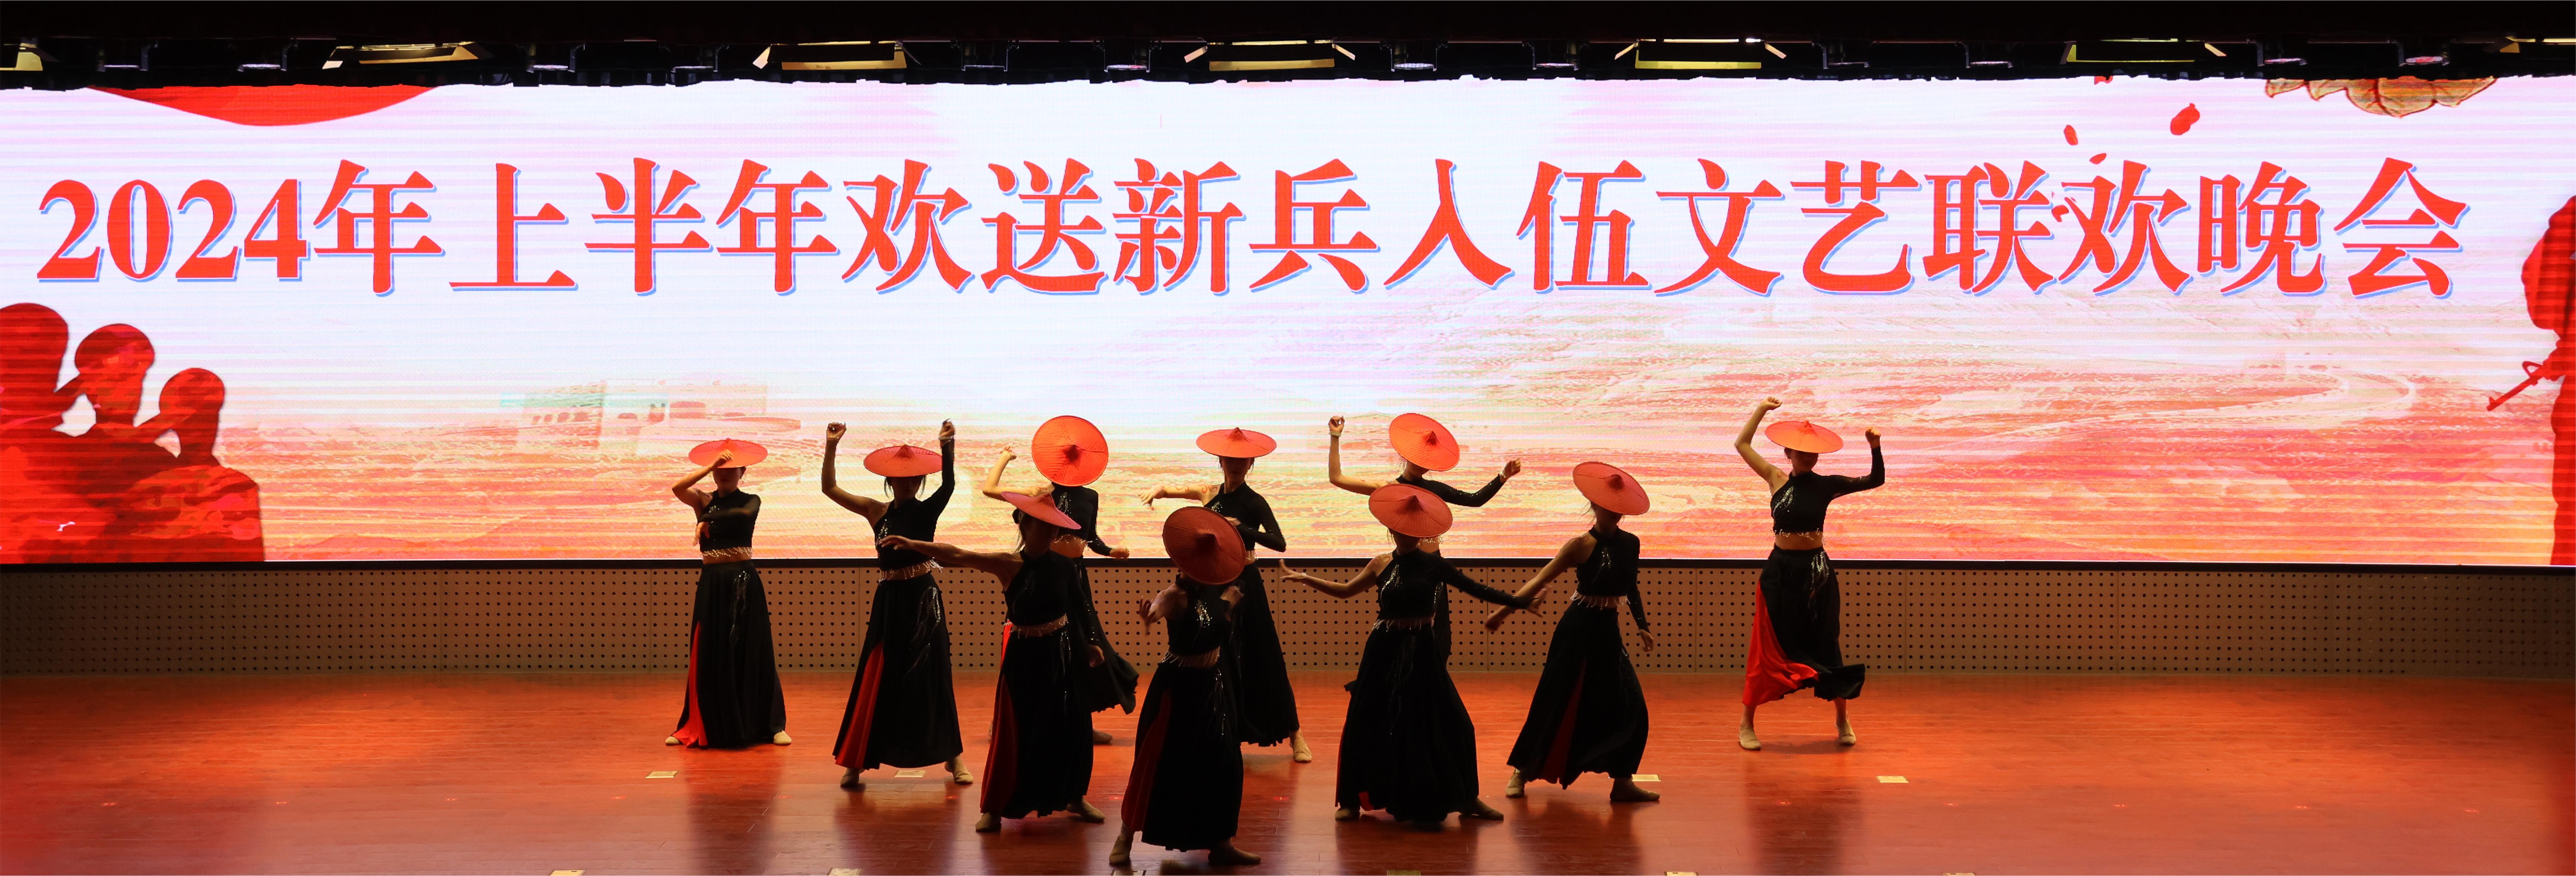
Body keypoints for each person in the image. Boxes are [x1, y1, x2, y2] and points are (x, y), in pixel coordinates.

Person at [1276, 484, 1536, 828]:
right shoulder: (1381, 563)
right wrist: (1307, 578)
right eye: (1401, 528)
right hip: (1383, 649)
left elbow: (1477, 588)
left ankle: (1467, 797)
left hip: (1423, 650)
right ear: (1392, 529)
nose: (1407, 533)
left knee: (1455, 722)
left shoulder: (1434, 565)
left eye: (1414, 529)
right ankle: (1352, 799)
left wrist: (1519, 602)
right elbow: (1346, 591)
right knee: (1365, 719)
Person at [881, 491, 1108, 833]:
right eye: (1044, 525)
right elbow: (959, 554)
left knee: (1070, 727)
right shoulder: (1009, 564)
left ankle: (1073, 796)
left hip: (1061, 653)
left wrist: (1091, 642)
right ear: (1026, 525)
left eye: (1054, 527)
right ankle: (994, 808)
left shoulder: (1064, 566)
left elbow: (1081, 607)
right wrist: (915, 544)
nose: (1051, 532)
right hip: (1024, 656)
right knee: (1015, 732)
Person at [1487, 462, 1659, 803]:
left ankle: (1622, 781)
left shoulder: (1631, 543)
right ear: (1594, 505)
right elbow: (1540, 579)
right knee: (1555, 700)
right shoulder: (1580, 545)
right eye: (1607, 504)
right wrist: (1503, 611)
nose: (1615, 511)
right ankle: (1521, 771)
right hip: (1577, 629)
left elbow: (1631, 586)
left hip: (1608, 631)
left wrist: (1642, 626)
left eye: (1619, 505)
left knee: (1632, 705)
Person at [1142, 427, 1311, 762]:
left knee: (1264, 654)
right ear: (1220, 461)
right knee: (1222, 657)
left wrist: (1241, 528)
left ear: (1251, 464)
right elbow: (1179, 491)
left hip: (1246, 583)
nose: (1236, 465)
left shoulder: (1255, 502)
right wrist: (1159, 491)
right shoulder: (1208, 494)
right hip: (1214, 581)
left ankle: (1296, 734)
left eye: (1242, 461)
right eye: (1230, 459)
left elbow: (1279, 542)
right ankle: (1226, 730)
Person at [1108, 506, 1262, 868]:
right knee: (1156, 763)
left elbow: (1218, 634)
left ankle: (1221, 843)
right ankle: (1125, 836)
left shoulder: (1218, 590)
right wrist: (1150, 616)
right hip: (1177, 692)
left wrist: (1227, 608)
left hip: (1212, 688)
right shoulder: (1174, 594)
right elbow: (1159, 607)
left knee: (1223, 762)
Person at [822, 420, 970, 789]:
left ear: (921, 482)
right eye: (902, 479)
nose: (909, 483)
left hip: (923, 599)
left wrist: (947, 445)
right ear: (890, 481)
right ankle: (856, 761)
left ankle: (953, 756)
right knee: (878, 675)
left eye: (915, 479)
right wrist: (832, 445)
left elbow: (949, 485)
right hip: (889, 601)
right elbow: (830, 488)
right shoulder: (876, 511)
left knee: (932, 675)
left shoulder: (928, 511)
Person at [1732, 397, 1883, 751]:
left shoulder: (1826, 485)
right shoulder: (1775, 478)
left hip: (1817, 575)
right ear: (1788, 453)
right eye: (1801, 452)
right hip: (1780, 575)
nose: (1808, 457)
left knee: (1827, 643)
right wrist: (1761, 410)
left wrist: (1875, 446)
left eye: (1813, 453)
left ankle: (1843, 719)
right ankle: (1746, 723)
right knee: (1768, 649)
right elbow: (1742, 444)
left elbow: (1875, 479)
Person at [982, 415, 1138, 742]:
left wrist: (1110, 551)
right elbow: (989, 489)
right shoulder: (1039, 493)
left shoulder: (1090, 497)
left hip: (1075, 575)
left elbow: (1090, 537)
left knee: (1083, 645)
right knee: (1032, 648)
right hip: (1042, 576)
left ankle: (1080, 721)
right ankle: (1007, 719)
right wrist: (1005, 458)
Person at [665, 439, 790, 749]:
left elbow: (743, 515)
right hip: (713, 582)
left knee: (753, 648)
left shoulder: (751, 499)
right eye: (720, 469)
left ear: (742, 472)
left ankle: (772, 725)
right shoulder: (703, 499)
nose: (725, 473)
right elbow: (678, 488)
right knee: (711, 650)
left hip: (743, 580)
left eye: (731, 469)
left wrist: (708, 519)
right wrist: (710, 466)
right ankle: (699, 723)